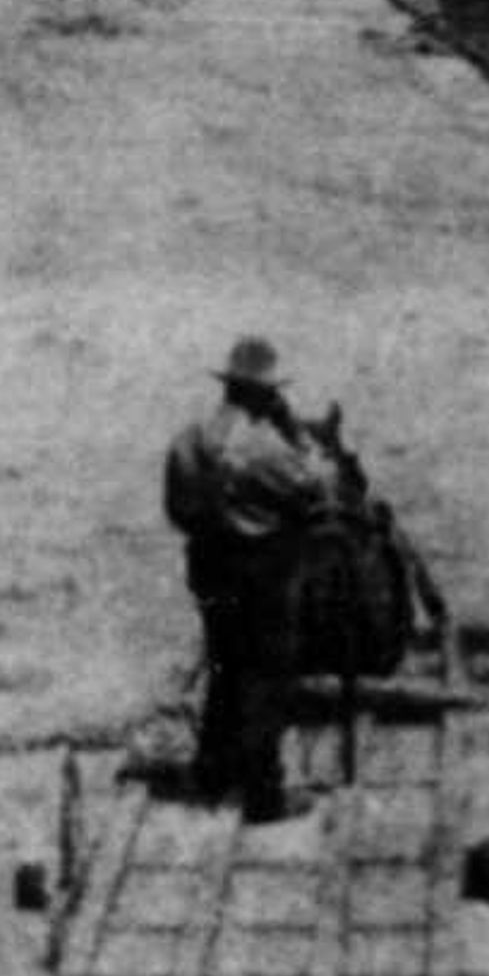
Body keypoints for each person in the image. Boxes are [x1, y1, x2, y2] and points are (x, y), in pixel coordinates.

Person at [162, 336, 341, 821]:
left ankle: (213, 768)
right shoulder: (267, 449)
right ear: (267, 394)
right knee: (268, 675)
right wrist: (302, 439)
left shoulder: (188, 439)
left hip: (208, 565)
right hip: (262, 570)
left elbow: (177, 510)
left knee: (223, 661)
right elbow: (318, 493)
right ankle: (265, 794)